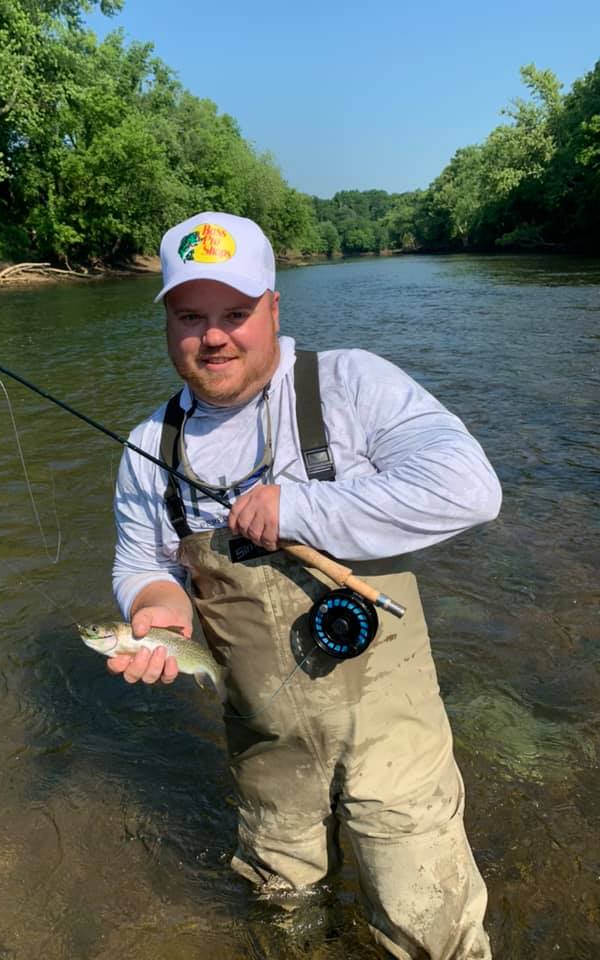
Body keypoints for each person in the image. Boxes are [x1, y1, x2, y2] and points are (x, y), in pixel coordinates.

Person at [110, 211, 501, 960]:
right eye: (191, 316)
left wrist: (306, 506)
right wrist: (156, 607)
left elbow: (471, 489)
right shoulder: (144, 447)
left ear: (274, 309)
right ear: (167, 322)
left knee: (432, 925)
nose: (214, 336)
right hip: (264, 742)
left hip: (395, 734)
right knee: (281, 910)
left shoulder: (351, 384)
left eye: (236, 313)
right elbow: (143, 563)